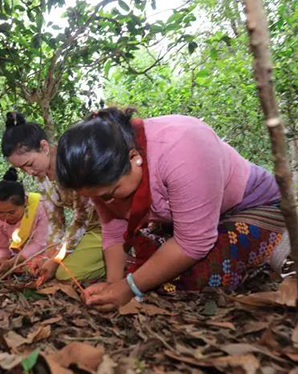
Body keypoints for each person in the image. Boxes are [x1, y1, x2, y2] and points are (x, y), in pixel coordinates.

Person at [55, 108, 284, 311]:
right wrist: (113, 284)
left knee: (194, 277)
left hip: (255, 208)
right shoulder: (100, 173)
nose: (106, 202)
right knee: (146, 263)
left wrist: (129, 287)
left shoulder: (183, 147)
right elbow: (115, 228)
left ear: (133, 158)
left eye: (110, 193)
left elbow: (194, 242)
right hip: (189, 224)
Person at [2, 112, 105, 283]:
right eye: (21, 169)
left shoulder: (71, 162)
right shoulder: (42, 177)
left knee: (65, 275)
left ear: (44, 147)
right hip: (85, 231)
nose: (29, 172)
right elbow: (55, 219)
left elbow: (81, 217)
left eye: (29, 164)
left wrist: (57, 259)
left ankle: (119, 259)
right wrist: (49, 256)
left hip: (105, 226)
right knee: (53, 270)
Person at [0, 168, 50, 278]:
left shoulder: (41, 207)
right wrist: (0, 264)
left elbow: (39, 243)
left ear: (24, 202)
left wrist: (11, 263)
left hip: (43, 255)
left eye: (11, 212)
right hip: (15, 260)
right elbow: (0, 245)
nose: (6, 218)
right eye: (0, 212)